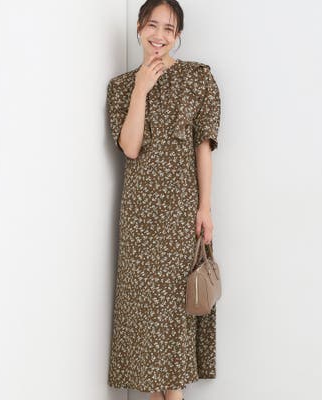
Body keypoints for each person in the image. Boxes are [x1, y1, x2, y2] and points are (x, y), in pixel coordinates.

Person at [106, 1, 221, 399]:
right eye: (152, 26)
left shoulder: (198, 78)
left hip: (181, 216)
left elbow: (203, 147)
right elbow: (130, 147)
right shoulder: (121, 87)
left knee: (172, 324)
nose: (159, 35)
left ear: (178, 36)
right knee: (148, 327)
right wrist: (141, 87)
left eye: (168, 29)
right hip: (139, 219)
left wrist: (205, 208)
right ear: (139, 27)